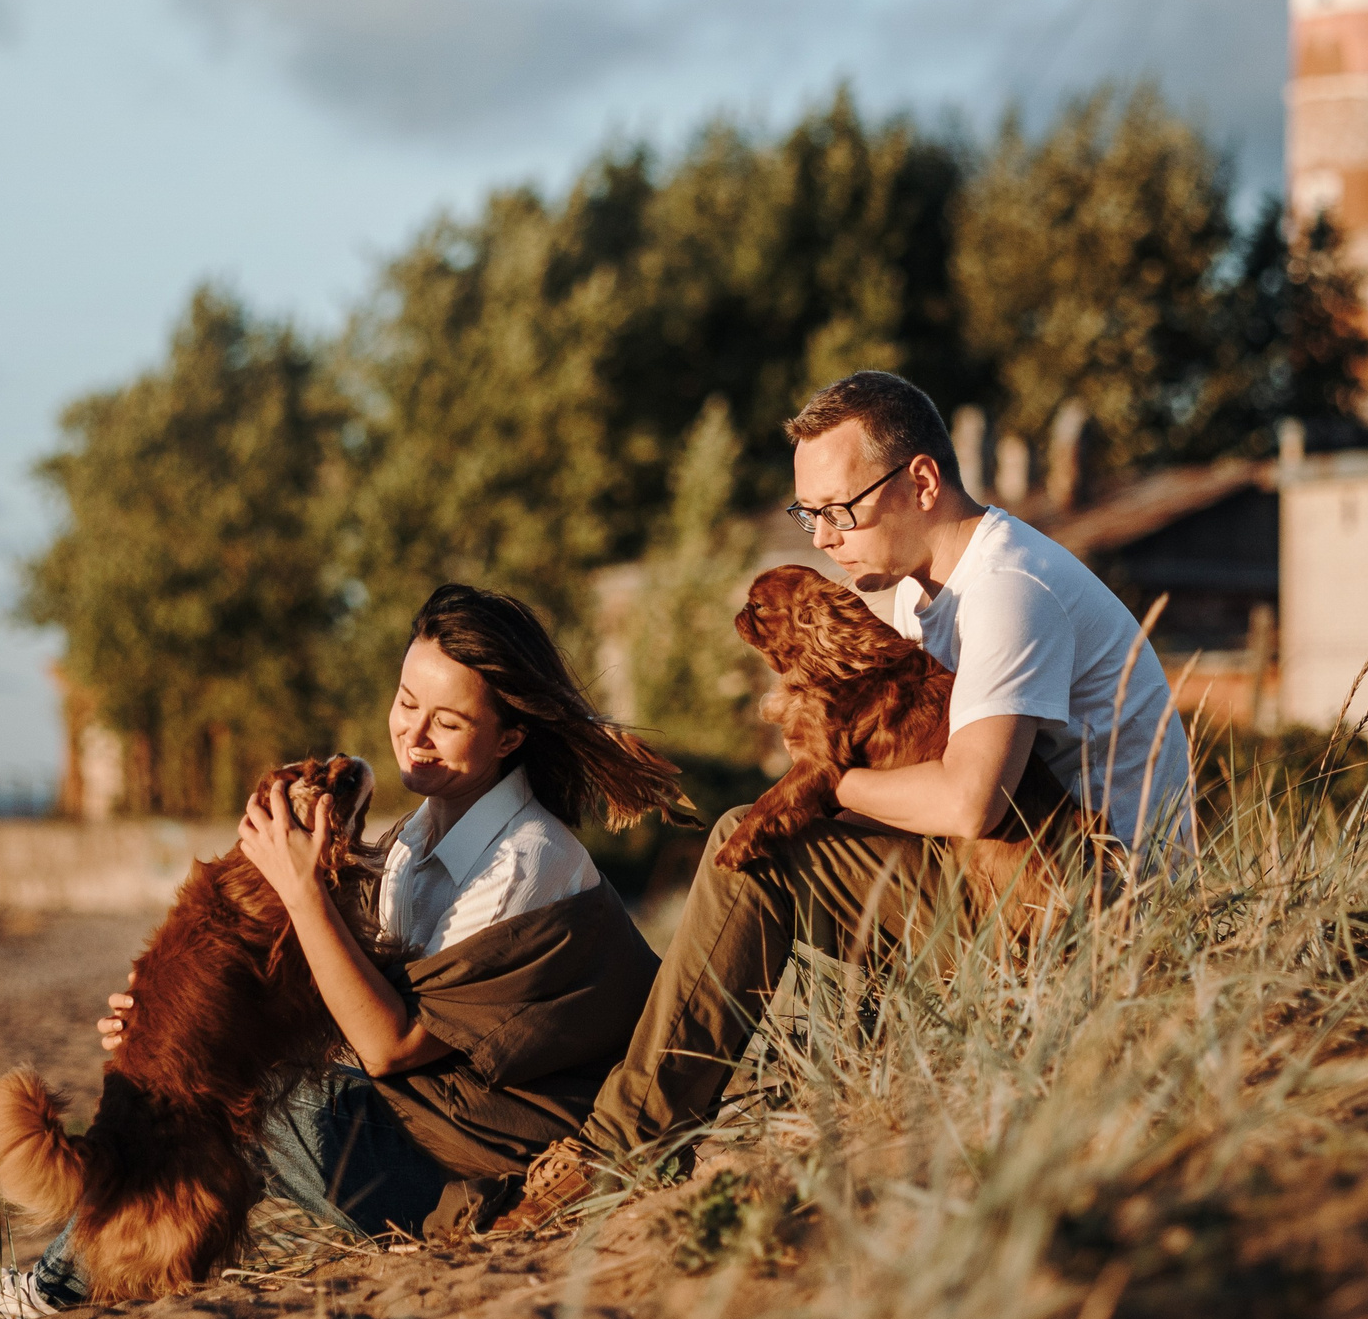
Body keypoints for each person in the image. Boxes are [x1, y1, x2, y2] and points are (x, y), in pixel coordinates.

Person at [494, 369, 1195, 1232]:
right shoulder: (916, 593)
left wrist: (822, 785)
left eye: (840, 508)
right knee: (776, 833)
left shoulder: (1009, 588)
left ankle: (621, 1148)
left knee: (749, 844)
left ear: (923, 482)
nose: (824, 536)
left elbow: (974, 799)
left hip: (1090, 921)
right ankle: (832, 1095)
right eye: (808, 515)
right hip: (1011, 886)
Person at [0, 584, 682, 1319]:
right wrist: (173, 1033)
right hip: (436, 1130)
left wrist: (302, 892)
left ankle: (54, 1289)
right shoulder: (418, 839)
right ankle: (73, 1276)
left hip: (488, 1179)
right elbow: (344, 1009)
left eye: (445, 722)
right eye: (407, 703)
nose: (411, 734)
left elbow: (388, 1044)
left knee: (247, 1095)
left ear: (510, 736)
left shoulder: (523, 860)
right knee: (208, 1079)